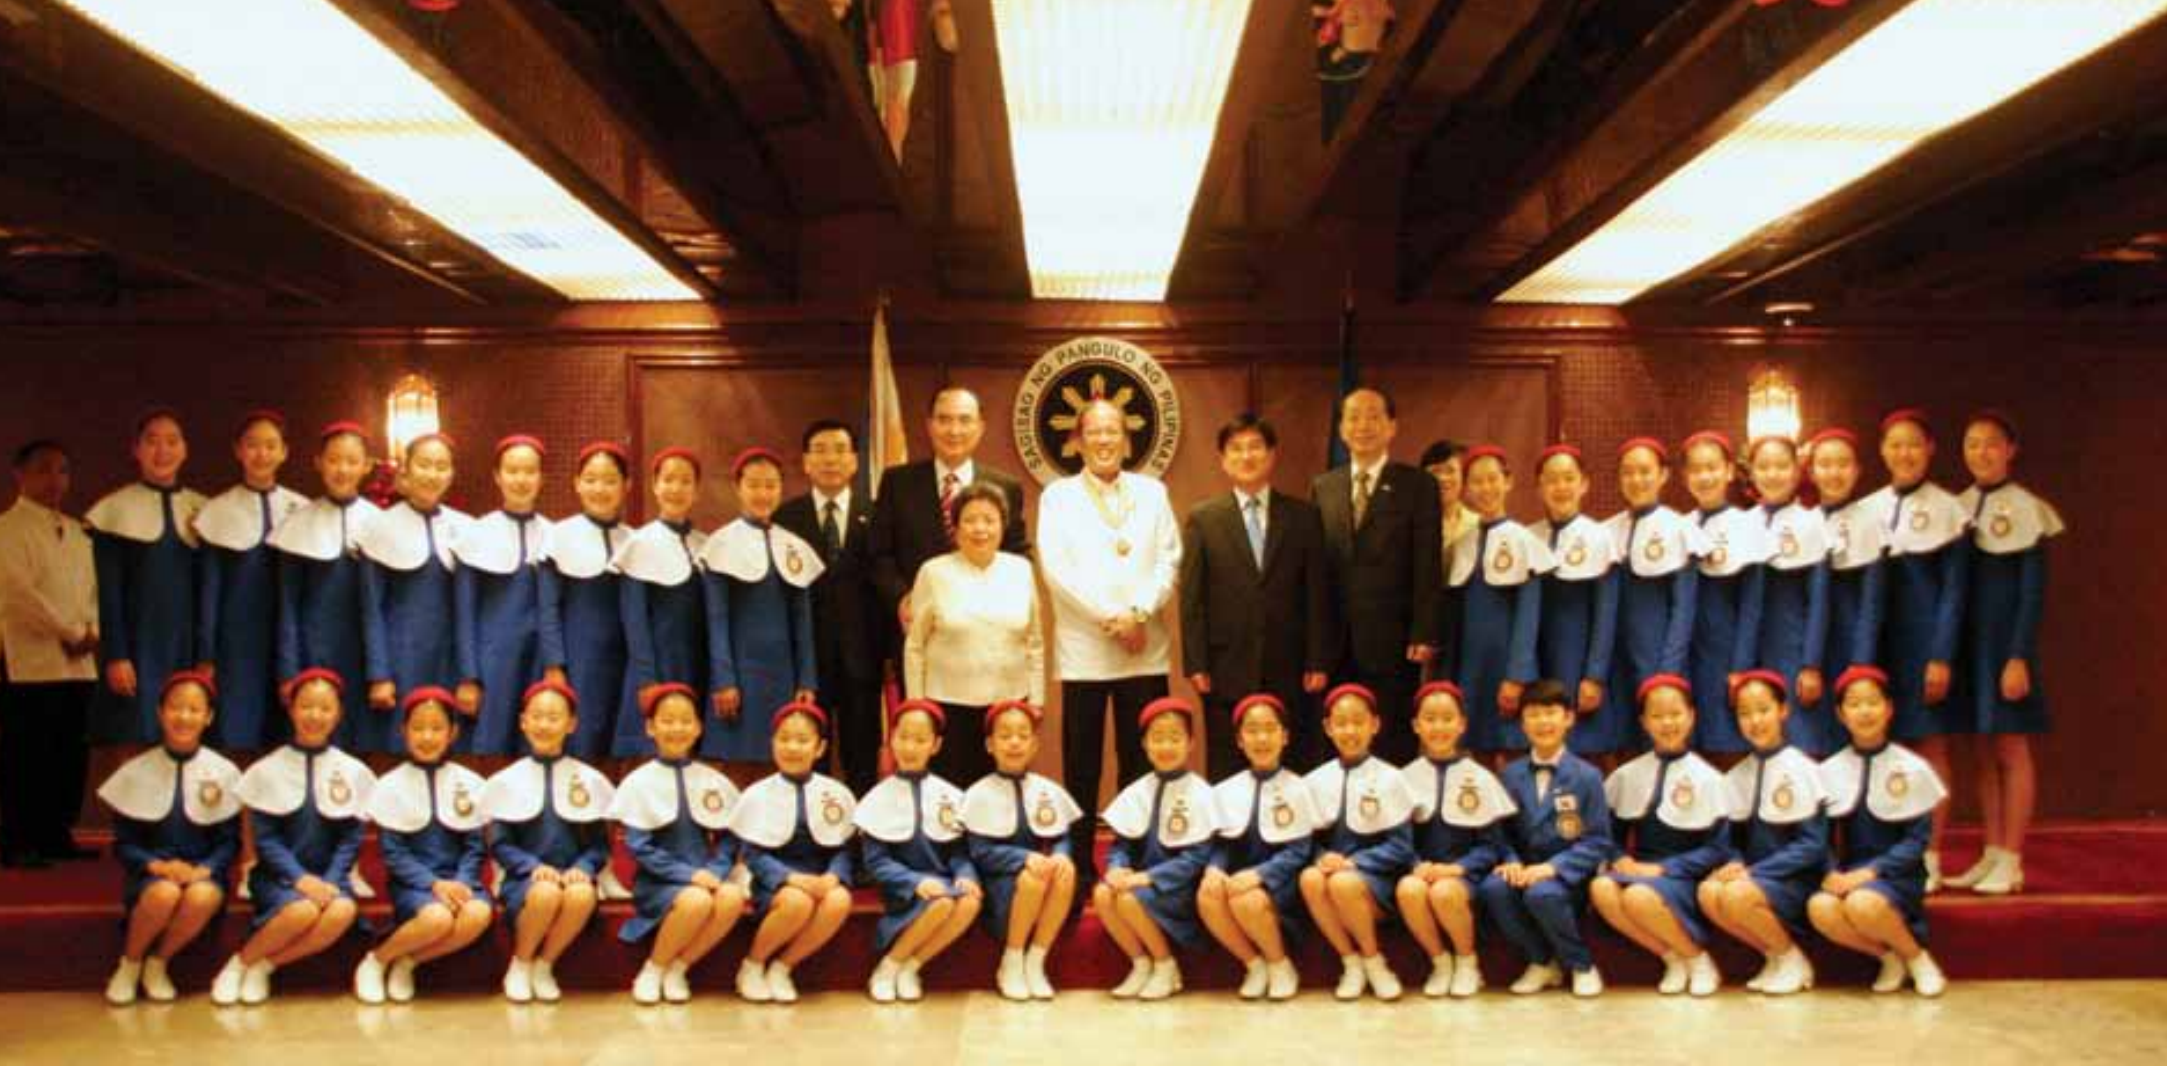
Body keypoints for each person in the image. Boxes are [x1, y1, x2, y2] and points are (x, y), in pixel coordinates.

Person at [1041, 399, 1182, 860]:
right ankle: (1079, 865)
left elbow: (1169, 558)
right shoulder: (1057, 497)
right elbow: (1057, 570)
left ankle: (1138, 856)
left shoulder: (1152, 492)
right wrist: (1112, 619)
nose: (1104, 440)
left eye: (1112, 431)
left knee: (1140, 761)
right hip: (1085, 651)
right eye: (1093, 432)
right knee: (1082, 764)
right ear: (1078, 441)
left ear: (1126, 439)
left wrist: (1138, 614)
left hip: (1144, 647)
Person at [1180, 414, 1334, 778]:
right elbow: (1192, 597)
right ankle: (1230, 835)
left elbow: (1317, 593)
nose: (1246, 456)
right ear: (1223, 459)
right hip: (1225, 665)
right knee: (1228, 758)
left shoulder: (1304, 516)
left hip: (1292, 664)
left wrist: (1318, 659)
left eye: (1255, 447)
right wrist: (1196, 662)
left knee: (1294, 756)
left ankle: (1295, 833)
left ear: (1271, 454)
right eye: (1236, 449)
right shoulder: (1204, 519)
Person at [1947, 410, 2062, 896]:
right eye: (1972, 444)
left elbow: (2032, 594)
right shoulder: (1958, 506)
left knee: (2011, 748)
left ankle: (2012, 857)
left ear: (2011, 450)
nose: (1981, 453)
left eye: (1992, 443)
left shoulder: (2028, 508)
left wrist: (2017, 656)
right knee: (1981, 751)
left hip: (2005, 647)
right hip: (1968, 647)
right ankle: (1991, 852)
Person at [214, 667, 373, 1006]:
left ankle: (263, 966)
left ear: (339, 714)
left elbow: (350, 839)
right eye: (307, 706)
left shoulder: (353, 771)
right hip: (279, 876)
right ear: (291, 709)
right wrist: (301, 880)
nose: (315, 715)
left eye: (325, 708)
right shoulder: (268, 769)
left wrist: (329, 880)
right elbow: (266, 840)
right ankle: (237, 963)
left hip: (330, 877)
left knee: (342, 910)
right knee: (301, 911)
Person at [1860, 409, 1969, 887]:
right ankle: (1890, 849)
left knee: (1929, 745)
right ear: (1882, 451)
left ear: (1930, 450)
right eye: (1894, 445)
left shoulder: (1949, 508)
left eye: (1913, 444)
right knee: (1884, 748)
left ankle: (1930, 852)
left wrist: (1941, 655)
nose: (1903, 454)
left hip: (1926, 646)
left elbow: (1955, 593)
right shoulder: (1868, 508)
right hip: (1879, 646)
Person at [94, 670, 240, 1004]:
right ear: (160, 713)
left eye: (194, 709)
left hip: (203, 873)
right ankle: (129, 963)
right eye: (176, 707)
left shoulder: (224, 772)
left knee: (201, 896)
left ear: (208, 717)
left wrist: (205, 869)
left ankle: (158, 962)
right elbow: (124, 844)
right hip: (151, 877)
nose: (184, 717)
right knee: (164, 894)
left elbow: (230, 841)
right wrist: (156, 866)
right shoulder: (136, 770)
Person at [1311, 388, 1440, 763]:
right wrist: (1315, 646)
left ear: (1392, 426)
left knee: (1392, 736)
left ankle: (1392, 819)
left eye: (1372, 416)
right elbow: (1318, 572)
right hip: (1337, 640)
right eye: (1353, 417)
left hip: (1394, 639)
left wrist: (1424, 630)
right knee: (1338, 736)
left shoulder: (1417, 486)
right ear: (1341, 429)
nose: (1362, 425)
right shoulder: (1324, 487)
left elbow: (1427, 563)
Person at [1809, 665, 1949, 997]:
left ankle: (1918, 958)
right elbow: (1819, 837)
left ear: (1888, 708)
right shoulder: (1829, 770)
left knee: (1862, 904)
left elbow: (1917, 841)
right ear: (1841, 715)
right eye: (1854, 704)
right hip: (1850, 872)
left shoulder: (1911, 768)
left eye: (1872, 702)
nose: (1864, 711)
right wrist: (1830, 872)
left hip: (1897, 874)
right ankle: (1889, 958)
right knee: (1820, 907)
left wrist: (1870, 873)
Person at [1591, 675, 1732, 997]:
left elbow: (1719, 849)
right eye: (1657, 716)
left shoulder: (1708, 778)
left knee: (1639, 895)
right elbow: (1606, 837)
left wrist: (1665, 870)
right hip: (1638, 871)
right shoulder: (1627, 775)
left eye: (1675, 714)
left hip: (1682, 875)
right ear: (1643, 722)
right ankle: (1672, 957)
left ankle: (1698, 959)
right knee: (1601, 887)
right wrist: (1620, 857)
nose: (1667, 723)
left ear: (1692, 716)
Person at [608, 683, 749, 1005]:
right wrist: (688, 876)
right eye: (667, 720)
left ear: (698, 728)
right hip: (659, 881)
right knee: (696, 900)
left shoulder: (712, 780)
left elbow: (729, 840)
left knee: (730, 897)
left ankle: (678, 968)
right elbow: (639, 847)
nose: (677, 728)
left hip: (705, 876)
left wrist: (715, 869)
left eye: (685, 721)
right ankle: (653, 968)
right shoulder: (639, 782)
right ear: (650, 727)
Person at [355, 687, 494, 1004]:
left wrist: (461, 881)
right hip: (415, 885)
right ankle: (377, 959)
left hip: (461, 881)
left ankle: (408, 962)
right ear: (404, 731)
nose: (427, 736)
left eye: (436, 728)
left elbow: (475, 846)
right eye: (418, 728)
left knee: (477, 914)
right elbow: (393, 853)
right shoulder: (390, 785)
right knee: (437, 918)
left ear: (453, 733)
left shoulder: (469, 783)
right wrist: (433, 884)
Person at [1478, 679, 1614, 998]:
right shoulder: (1510, 774)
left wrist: (1553, 868)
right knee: (1493, 889)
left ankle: (1581, 964)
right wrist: (1510, 861)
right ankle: (1541, 961)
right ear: (1522, 723)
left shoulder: (1587, 776)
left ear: (1568, 718)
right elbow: (1500, 832)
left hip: (1568, 876)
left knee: (1542, 894)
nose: (1543, 722)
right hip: (1525, 869)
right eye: (1533, 714)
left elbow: (1598, 842)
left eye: (1551, 712)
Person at [482, 680, 615, 1003]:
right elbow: (499, 843)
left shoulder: (590, 779)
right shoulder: (506, 780)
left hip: (572, 878)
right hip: (524, 880)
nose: (544, 724)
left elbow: (600, 845)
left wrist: (583, 867)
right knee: (544, 893)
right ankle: (522, 961)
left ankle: (545, 963)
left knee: (583, 894)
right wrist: (533, 867)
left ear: (571, 724)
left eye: (554, 717)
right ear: (523, 721)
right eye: (537, 716)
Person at [0, 439, 100, 868]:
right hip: (30, 660)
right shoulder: (7, 529)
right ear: (19, 475)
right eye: (43, 469)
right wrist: (69, 630)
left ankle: (56, 834)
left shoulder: (79, 532)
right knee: (28, 754)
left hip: (78, 661)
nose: (54, 479)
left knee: (68, 753)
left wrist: (92, 629)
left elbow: (94, 590)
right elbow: (19, 595)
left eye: (62, 470)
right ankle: (18, 839)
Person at [903, 483, 1044, 782]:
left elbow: (1035, 642)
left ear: (1002, 526)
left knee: (1004, 791)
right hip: (948, 705)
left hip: (1009, 705)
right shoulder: (933, 572)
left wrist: (1036, 700)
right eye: (969, 520)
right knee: (953, 794)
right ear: (954, 527)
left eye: (989, 520)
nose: (980, 529)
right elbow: (915, 646)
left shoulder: (1020, 570)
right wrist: (918, 705)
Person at [775, 420, 887, 793]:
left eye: (840, 449)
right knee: (808, 754)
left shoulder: (877, 513)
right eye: (820, 450)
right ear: (805, 462)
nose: (830, 459)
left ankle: (861, 842)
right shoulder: (785, 519)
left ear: (855, 460)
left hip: (864, 659)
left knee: (863, 757)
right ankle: (813, 841)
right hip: (807, 663)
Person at [1701, 670, 1827, 996]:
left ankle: (1793, 958)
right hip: (1757, 880)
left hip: (1798, 880)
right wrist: (1733, 862)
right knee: (1709, 891)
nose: (1755, 721)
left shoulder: (1803, 769)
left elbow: (1813, 846)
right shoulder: (1738, 775)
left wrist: (1753, 872)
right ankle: (1774, 956)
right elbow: (1730, 842)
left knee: (1735, 894)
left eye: (1763, 710)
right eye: (1745, 713)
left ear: (1783, 710)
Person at [869, 385, 1029, 637]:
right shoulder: (897, 483)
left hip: (987, 624)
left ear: (980, 427)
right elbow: (879, 554)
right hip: (917, 622)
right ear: (930, 425)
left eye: (965, 420)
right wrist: (904, 599)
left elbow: (1017, 553)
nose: (954, 430)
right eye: (944, 420)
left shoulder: (1006, 487)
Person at [88, 409, 205, 745]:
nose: (162, 451)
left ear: (185, 450)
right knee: (137, 736)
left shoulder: (203, 509)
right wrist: (116, 655)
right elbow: (108, 593)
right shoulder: (113, 510)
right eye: (152, 441)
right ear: (135, 449)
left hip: (188, 645)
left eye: (172, 441)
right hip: (138, 648)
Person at [730, 701, 858, 1004]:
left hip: (819, 876)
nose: (792, 747)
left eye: (802, 740)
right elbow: (753, 854)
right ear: (772, 743)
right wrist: (789, 878)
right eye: (784, 739)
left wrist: (833, 876)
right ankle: (752, 964)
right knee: (797, 902)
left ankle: (783, 966)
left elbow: (844, 848)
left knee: (839, 899)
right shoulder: (758, 794)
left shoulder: (836, 793)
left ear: (820, 747)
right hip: (776, 881)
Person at [194, 411, 306, 750]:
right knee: (237, 734)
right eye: (253, 445)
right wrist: (206, 654)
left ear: (285, 451)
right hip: (237, 641)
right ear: (238, 451)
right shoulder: (218, 510)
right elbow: (210, 590)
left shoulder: (301, 508)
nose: (262, 454)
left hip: (291, 640)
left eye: (271, 446)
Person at [856, 698, 981, 1003]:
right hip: (903, 887)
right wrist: (914, 882)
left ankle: (912, 966)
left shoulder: (949, 795)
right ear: (892, 739)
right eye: (904, 738)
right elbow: (876, 862)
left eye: (920, 740)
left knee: (968, 902)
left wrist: (966, 875)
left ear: (935, 745)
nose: (910, 747)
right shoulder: (877, 798)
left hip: (942, 882)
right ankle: (889, 965)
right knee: (941, 901)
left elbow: (959, 852)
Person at [701, 448, 820, 763]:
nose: (762, 493)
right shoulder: (720, 544)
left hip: (783, 676)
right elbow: (716, 620)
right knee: (738, 764)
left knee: (781, 761)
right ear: (738, 488)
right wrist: (724, 680)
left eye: (770, 485)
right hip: (741, 674)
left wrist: (807, 678)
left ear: (781, 489)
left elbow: (802, 621)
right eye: (754, 485)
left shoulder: (793, 545)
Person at [1395, 680, 1513, 998]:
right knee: (1409, 889)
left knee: (1445, 892)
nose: (1439, 727)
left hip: (1465, 875)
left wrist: (1457, 869)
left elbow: (1492, 846)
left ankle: (1466, 961)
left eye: (1447, 719)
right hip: (1421, 872)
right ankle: (1440, 962)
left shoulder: (1480, 777)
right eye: (1430, 719)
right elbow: (1399, 839)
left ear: (1461, 725)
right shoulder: (1404, 778)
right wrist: (1416, 865)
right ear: (1416, 726)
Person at [1300, 683, 1417, 1001]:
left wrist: (1354, 864)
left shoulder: (1392, 778)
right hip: (1331, 876)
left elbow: (1402, 847)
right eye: (1341, 723)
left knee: (1343, 883)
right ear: (1327, 728)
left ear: (1374, 725)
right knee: (1310, 877)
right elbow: (1305, 841)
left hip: (1376, 881)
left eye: (1358, 721)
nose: (1349, 730)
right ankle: (1350, 961)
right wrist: (1321, 857)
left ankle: (1373, 960)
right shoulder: (1315, 780)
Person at [1095, 697, 1216, 1001]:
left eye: (1174, 738)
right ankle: (1140, 962)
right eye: (1157, 738)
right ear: (1145, 745)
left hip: (1180, 888)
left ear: (1190, 743)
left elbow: (1198, 858)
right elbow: (1121, 845)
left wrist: (1148, 878)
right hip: (1141, 883)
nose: (1166, 746)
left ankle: (1166, 964)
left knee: (1127, 899)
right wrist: (1116, 868)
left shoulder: (1201, 792)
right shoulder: (1137, 791)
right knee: (1102, 893)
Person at [1199, 692, 1318, 1001]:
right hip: (1241, 882)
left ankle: (1280, 964)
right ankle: (1254, 964)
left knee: (1248, 899)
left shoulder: (1299, 787)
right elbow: (1223, 843)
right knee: (1208, 894)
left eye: (1269, 729)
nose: (1261, 738)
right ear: (1239, 741)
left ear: (1285, 736)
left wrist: (1260, 875)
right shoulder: (1226, 789)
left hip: (1283, 885)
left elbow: (1299, 851)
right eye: (1251, 731)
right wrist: (1214, 869)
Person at [272, 422, 382, 752]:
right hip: (313, 648)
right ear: (318, 462)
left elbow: (383, 606)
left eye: (351, 461)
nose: (342, 469)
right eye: (334, 460)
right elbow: (287, 604)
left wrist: (380, 670)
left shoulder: (380, 522)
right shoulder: (298, 523)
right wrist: (289, 668)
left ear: (366, 465)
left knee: (361, 741)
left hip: (363, 654)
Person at [963, 699, 1083, 1001]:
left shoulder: (1047, 790)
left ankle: (1035, 961)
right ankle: (1012, 959)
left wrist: (1060, 855)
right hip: (1001, 885)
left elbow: (1062, 836)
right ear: (990, 745)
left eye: (1022, 735)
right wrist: (1024, 858)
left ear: (1034, 745)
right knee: (1033, 877)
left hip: (1042, 878)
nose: (1014, 742)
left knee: (1065, 872)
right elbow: (980, 852)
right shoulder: (978, 793)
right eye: (1005, 736)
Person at [357, 431, 467, 754]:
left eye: (441, 466)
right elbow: (371, 608)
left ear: (452, 473)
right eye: (424, 465)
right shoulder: (379, 527)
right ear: (405, 469)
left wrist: (468, 673)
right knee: (397, 745)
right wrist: (379, 673)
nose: (433, 474)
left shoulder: (464, 527)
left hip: (448, 658)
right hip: (400, 656)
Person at [1449, 446, 1553, 754]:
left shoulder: (1523, 540)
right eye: (1477, 482)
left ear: (1508, 481)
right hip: (1471, 666)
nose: (1486, 488)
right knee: (1473, 747)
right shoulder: (1463, 542)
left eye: (1493, 479)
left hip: (1506, 665)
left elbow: (1529, 615)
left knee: (1509, 748)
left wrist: (1517, 674)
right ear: (1466, 489)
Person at [454, 435, 553, 756]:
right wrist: (469, 675)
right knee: (491, 744)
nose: (521, 480)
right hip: (492, 660)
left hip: (539, 658)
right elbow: (464, 612)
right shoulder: (477, 534)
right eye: (512, 471)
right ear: (497, 476)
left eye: (529, 471)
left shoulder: (555, 534)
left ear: (542, 478)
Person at [1604, 437, 1704, 756]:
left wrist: (1669, 669)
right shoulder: (1608, 530)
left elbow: (1684, 607)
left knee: (1663, 739)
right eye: (1628, 473)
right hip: (1617, 658)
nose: (1636, 480)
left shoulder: (1679, 528)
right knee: (1622, 742)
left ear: (1663, 475)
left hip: (1659, 654)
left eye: (1645, 471)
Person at [539, 442, 634, 760]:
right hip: (579, 659)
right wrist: (555, 664)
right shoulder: (559, 535)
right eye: (591, 479)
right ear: (577, 483)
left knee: (619, 741)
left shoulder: (633, 540)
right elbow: (548, 606)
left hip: (625, 660)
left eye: (610, 480)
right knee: (582, 739)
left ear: (626, 486)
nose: (600, 488)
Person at [612, 447, 709, 759]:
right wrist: (647, 678)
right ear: (655, 485)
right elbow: (634, 619)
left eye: (685, 481)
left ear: (696, 490)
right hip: (657, 663)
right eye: (668, 480)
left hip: (696, 664)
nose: (676, 489)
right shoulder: (639, 543)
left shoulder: (705, 545)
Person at [1528, 445, 1621, 757]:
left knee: (1585, 751)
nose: (1560, 487)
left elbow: (1606, 613)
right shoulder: (1529, 537)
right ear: (1539, 488)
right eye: (1551, 480)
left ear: (1584, 484)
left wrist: (1594, 675)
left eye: (1569, 478)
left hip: (1579, 661)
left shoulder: (1600, 537)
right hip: (1538, 662)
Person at [1683, 431, 1769, 756]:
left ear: (1730, 471)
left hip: (1727, 653)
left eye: (1712, 467)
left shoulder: (1747, 525)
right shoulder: (1681, 525)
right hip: (1689, 654)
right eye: (1696, 469)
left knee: (1728, 746)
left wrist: (1741, 665)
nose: (1705, 477)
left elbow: (1753, 605)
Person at [1748, 436, 1835, 754]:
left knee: (1800, 744)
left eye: (1781, 466)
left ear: (1797, 471)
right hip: (1752, 652)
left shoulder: (1812, 523)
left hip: (1793, 650)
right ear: (1752, 473)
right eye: (1764, 466)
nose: (1772, 474)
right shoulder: (1743, 523)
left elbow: (1819, 601)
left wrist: (1810, 663)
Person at [1806, 427, 1888, 761]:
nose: (1834, 472)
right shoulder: (1803, 522)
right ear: (1810, 472)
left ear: (1857, 470)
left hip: (1852, 645)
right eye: (1824, 464)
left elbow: (1873, 601)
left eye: (1843, 464)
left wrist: (1861, 663)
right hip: (1810, 652)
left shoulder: (1870, 522)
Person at [1420, 439, 1475, 682]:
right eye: (1434, 472)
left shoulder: (1478, 525)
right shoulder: (1408, 526)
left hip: (1465, 628)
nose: (1443, 479)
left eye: (1450, 470)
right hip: (1421, 634)